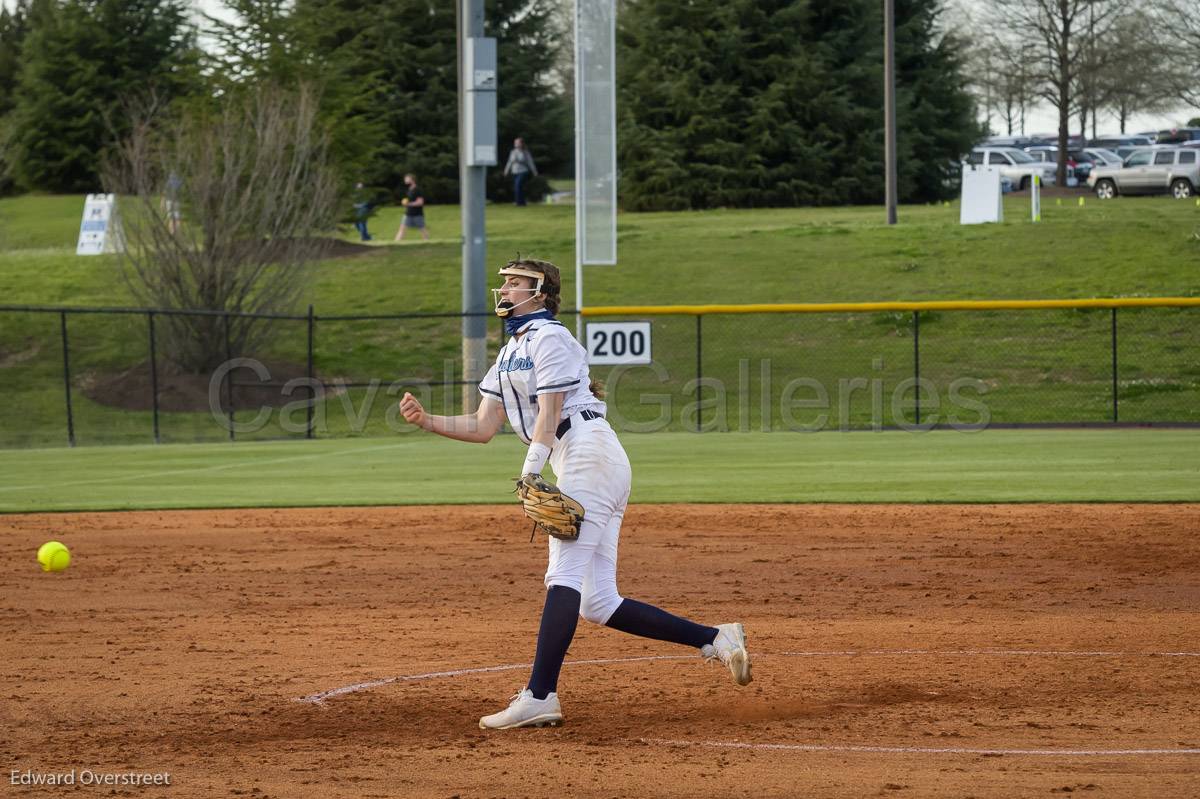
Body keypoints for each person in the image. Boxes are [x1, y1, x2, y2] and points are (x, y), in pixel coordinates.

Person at [398, 258, 752, 731]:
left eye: (515, 283)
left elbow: (549, 414)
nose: (503, 290)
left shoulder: (552, 338)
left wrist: (529, 470)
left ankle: (540, 694)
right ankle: (717, 639)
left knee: (562, 575)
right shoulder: (509, 352)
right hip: (581, 459)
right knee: (598, 602)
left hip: (588, 452)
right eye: (503, 282)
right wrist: (427, 421)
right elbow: (483, 427)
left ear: (539, 292)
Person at [394, 173, 430, 242]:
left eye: (407, 179)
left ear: (412, 180)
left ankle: (427, 242)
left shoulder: (417, 190)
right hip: (408, 213)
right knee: (402, 228)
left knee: (422, 229)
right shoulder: (409, 189)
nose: (405, 180)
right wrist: (407, 204)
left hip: (417, 214)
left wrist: (408, 204)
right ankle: (396, 243)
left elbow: (420, 202)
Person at [503, 138, 538, 206]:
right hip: (514, 172)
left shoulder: (525, 152)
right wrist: (506, 170)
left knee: (517, 186)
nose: (516, 144)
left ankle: (518, 202)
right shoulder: (512, 152)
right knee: (519, 187)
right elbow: (509, 162)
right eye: (515, 143)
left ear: (521, 144)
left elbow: (530, 162)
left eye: (517, 143)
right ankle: (522, 202)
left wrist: (534, 171)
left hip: (523, 171)